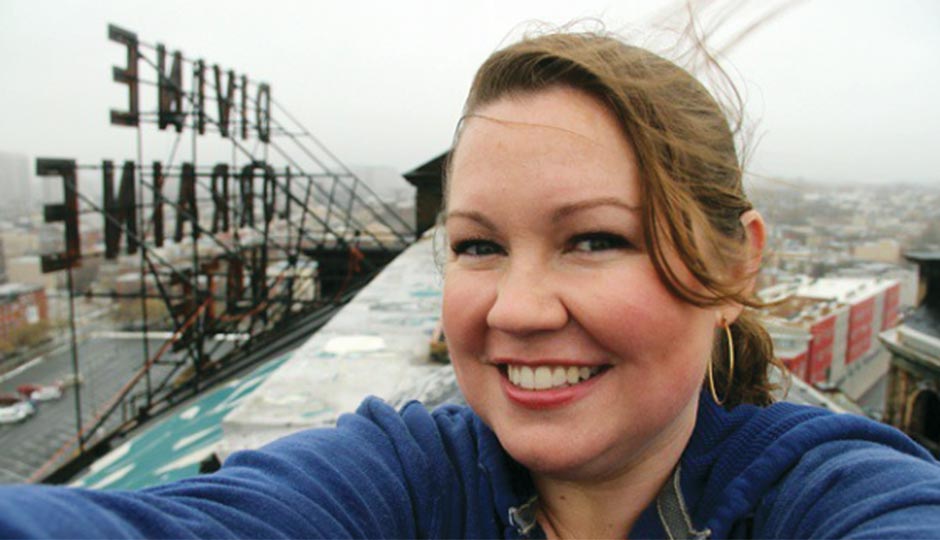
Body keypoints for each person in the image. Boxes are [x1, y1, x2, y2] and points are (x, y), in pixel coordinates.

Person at [2, 30, 940, 539]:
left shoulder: (826, 490)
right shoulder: (406, 483)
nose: (518, 311)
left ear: (735, 265)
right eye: (478, 247)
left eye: (596, 238)